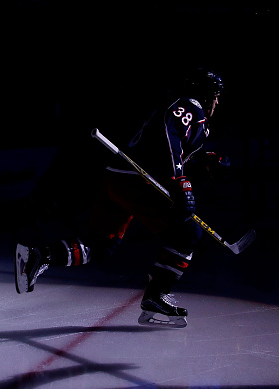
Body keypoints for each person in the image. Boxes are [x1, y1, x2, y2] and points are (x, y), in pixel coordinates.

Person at [15, 69, 225, 328]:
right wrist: (181, 182)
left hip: (119, 177)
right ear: (205, 95)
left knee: (101, 245)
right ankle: (156, 296)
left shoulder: (191, 114)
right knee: (188, 234)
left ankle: (38, 257)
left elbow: (172, 150)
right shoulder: (190, 106)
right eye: (215, 95)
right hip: (136, 179)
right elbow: (167, 137)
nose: (217, 101)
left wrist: (203, 160)